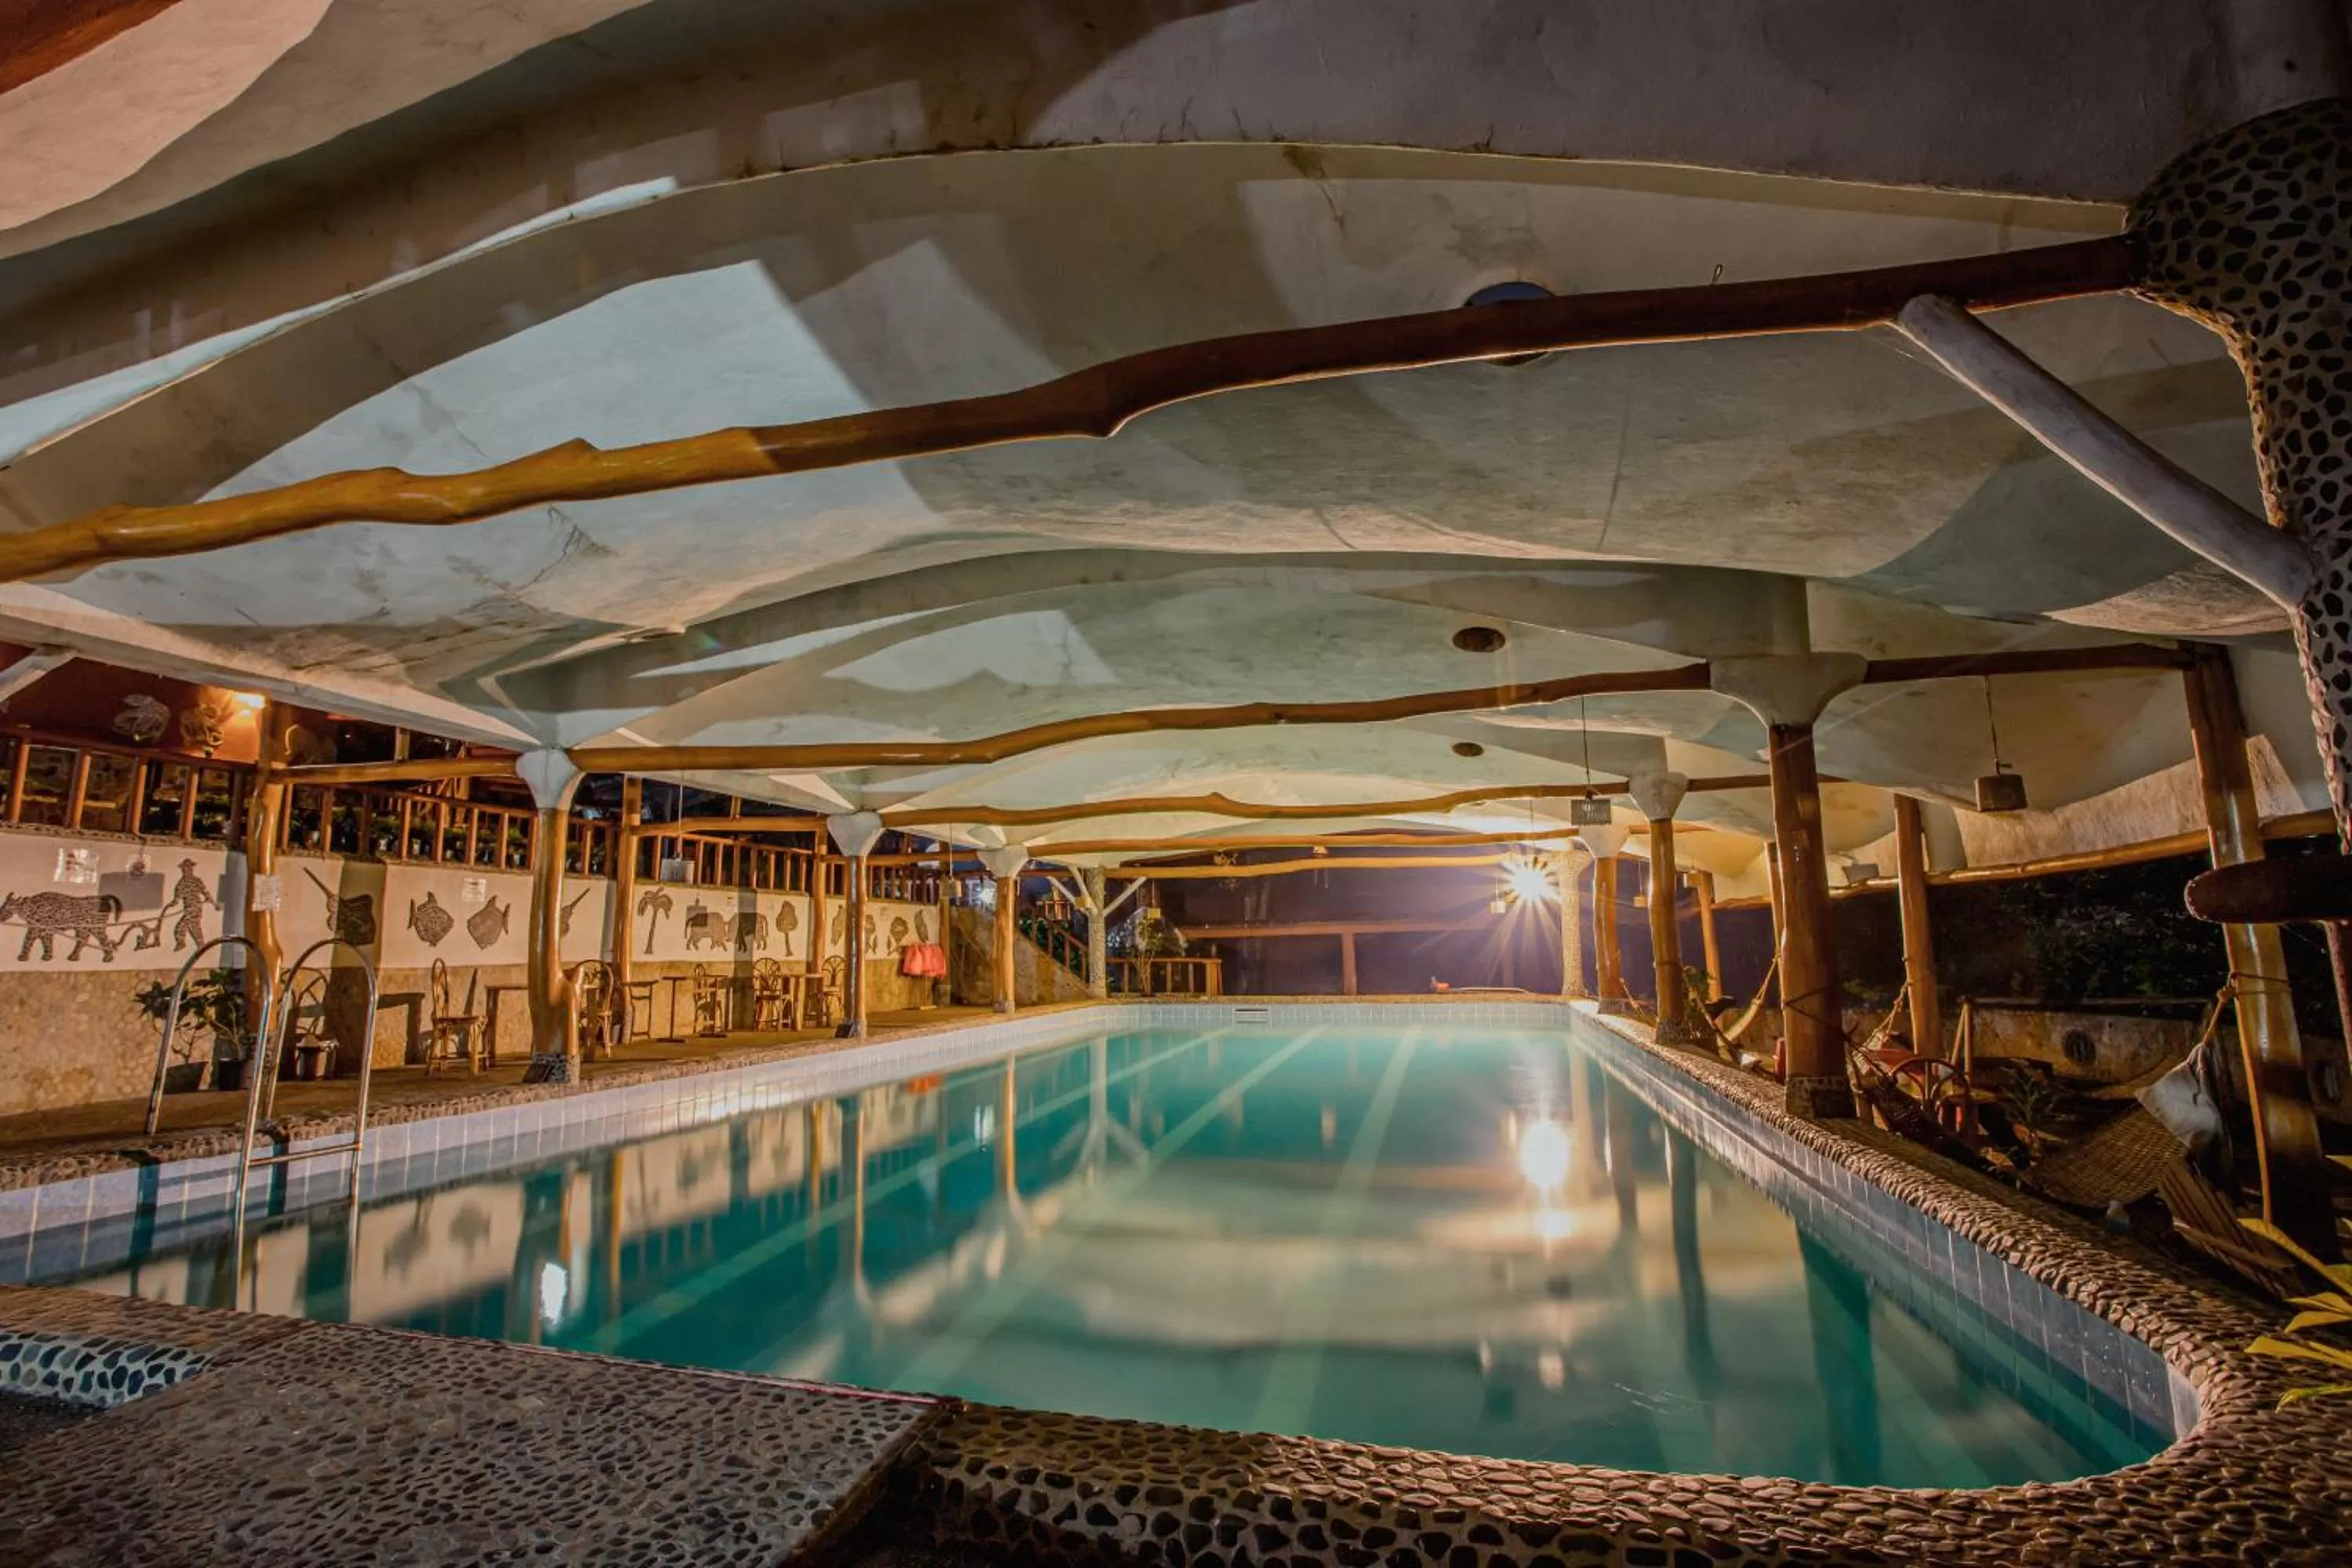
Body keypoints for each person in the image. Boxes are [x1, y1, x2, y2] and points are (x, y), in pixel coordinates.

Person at [169, 858, 216, 951]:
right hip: (188, 909)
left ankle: (195, 945)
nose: (188, 870)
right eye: (186, 868)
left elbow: (206, 892)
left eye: (189, 867)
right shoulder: (181, 884)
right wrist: (172, 904)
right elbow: (177, 899)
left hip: (196, 908)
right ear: (183, 870)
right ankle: (195, 945)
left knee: (187, 926)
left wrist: (214, 903)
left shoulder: (197, 881)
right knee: (188, 927)